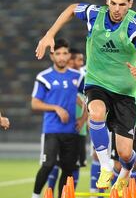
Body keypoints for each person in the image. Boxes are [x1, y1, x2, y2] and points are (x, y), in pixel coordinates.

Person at [35, 0, 136, 193]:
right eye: (113, 3)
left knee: (126, 154)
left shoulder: (135, 25)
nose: (117, 9)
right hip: (97, 82)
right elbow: (72, 8)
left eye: (122, 4)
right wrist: (49, 34)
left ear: (130, 4)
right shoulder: (95, 14)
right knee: (96, 112)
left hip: (125, 92)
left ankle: (125, 172)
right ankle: (106, 166)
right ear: (107, 1)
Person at [31, 39, 84, 198]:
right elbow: (35, 103)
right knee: (48, 165)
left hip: (71, 131)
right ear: (52, 56)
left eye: (65, 53)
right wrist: (56, 107)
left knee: (68, 170)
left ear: (69, 55)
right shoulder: (44, 77)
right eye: (58, 53)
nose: (62, 57)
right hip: (52, 130)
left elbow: (86, 99)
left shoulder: (77, 76)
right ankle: (35, 196)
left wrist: (83, 119)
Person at [47, 48, 88, 190]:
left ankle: (67, 194)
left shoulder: (82, 78)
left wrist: (84, 120)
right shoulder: (68, 78)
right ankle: (51, 193)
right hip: (62, 128)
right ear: (71, 60)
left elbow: (88, 101)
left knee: (73, 166)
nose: (82, 63)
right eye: (79, 60)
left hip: (78, 129)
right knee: (55, 164)